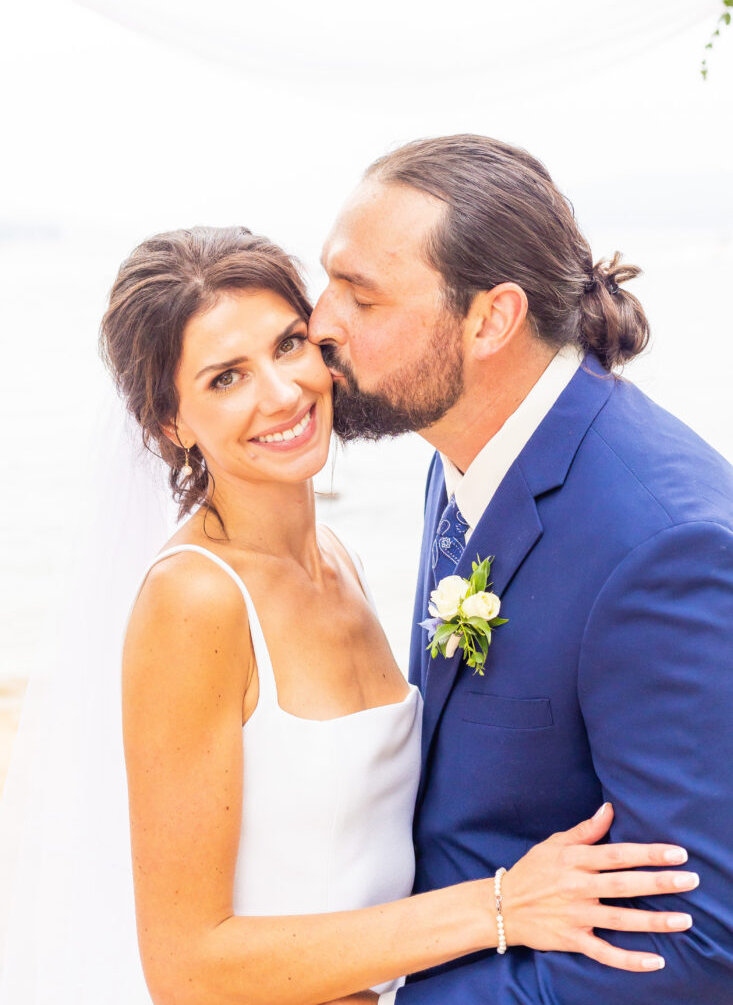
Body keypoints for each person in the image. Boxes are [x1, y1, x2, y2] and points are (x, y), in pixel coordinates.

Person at [93, 223, 698, 1005]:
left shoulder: (338, 558)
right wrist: (500, 906)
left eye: (286, 345)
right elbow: (187, 968)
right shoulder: (197, 600)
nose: (280, 393)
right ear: (169, 425)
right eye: (224, 379)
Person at [309, 134, 733, 1004]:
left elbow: (699, 947)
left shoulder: (662, 547)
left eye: (360, 294)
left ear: (490, 320)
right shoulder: (460, 452)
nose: (319, 322)